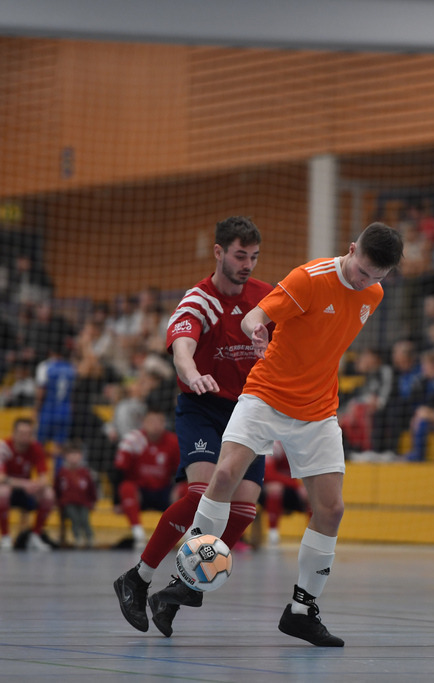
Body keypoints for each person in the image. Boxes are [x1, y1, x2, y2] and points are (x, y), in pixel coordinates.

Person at [182, 221, 402, 647]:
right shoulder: (309, 278)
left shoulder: (372, 294)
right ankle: (189, 575)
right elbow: (255, 315)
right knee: (224, 475)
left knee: (331, 509)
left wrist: (369, 283)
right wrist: (257, 329)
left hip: (318, 409)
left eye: (377, 276)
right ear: (351, 249)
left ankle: (302, 611)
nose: (366, 281)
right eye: (362, 271)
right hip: (267, 394)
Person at [114, 216, 273, 637]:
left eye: (254, 257)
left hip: (249, 410)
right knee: (202, 493)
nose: (247, 265)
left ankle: (180, 588)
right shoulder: (199, 299)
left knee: (244, 510)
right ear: (218, 252)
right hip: (203, 406)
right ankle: (138, 577)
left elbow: (289, 340)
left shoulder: (265, 297)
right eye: (240, 255)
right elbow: (182, 348)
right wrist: (192, 372)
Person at [113, 408, 182, 549]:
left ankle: (189, 535)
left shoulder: (173, 441)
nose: (155, 425)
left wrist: (178, 488)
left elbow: (182, 471)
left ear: (164, 423)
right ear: (144, 422)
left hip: (163, 490)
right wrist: (116, 501)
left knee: (186, 489)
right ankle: (138, 535)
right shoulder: (133, 440)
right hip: (141, 492)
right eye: (151, 421)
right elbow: (118, 471)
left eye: (159, 421)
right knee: (126, 488)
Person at [0, 417, 55, 551]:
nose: (25, 437)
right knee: (3, 490)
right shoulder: (3, 446)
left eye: (28, 433)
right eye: (21, 433)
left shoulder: (36, 447)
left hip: (24, 493)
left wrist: (36, 485)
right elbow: (0, 478)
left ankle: (35, 536)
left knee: (49, 494)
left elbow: (44, 478)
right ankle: (5, 537)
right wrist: (25, 484)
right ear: (14, 433)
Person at [261, 441, 310, 545]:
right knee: (275, 488)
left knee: (313, 494)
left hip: (291, 489)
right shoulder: (276, 446)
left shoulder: (304, 447)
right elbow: (268, 474)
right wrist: (297, 486)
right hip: (265, 491)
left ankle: (313, 535)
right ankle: (273, 533)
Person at [54, 442, 98, 548]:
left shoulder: (85, 472)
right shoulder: (62, 472)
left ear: (81, 456)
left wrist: (93, 501)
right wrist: (58, 502)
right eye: (71, 454)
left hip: (83, 503)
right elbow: (56, 488)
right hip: (67, 503)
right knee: (75, 518)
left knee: (84, 518)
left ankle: (89, 537)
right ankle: (77, 537)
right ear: (66, 456)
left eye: (76, 454)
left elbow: (91, 489)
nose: (73, 457)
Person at [34, 344, 77, 452]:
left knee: (40, 445)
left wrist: (36, 410)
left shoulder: (45, 366)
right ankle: (58, 463)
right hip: (65, 412)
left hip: (48, 411)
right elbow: (72, 393)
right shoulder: (71, 368)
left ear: (51, 352)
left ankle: (41, 463)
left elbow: (41, 391)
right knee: (60, 447)